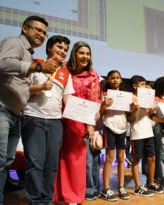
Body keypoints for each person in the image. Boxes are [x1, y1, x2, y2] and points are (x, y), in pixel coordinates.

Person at [0, 15, 59, 205]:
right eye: (38, 30)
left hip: (14, 113)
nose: (42, 35)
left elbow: (20, 86)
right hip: (0, 108)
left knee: (4, 164)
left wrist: (39, 87)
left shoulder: (28, 54)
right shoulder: (14, 42)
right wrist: (38, 66)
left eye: (44, 33)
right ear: (24, 28)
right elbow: (3, 64)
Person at [21, 35, 73, 205]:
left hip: (55, 122)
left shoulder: (65, 73)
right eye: (59, 47)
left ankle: (46, 200)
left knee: (51, 165)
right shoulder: (35, 64)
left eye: (65, 49)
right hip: (32, 117)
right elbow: (21, 89)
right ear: (49, 47)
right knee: (35, 164)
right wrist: (40, 87)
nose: (62, 51)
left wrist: (91, 113)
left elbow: (69, 102)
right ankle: (35, 201)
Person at [53, 41, 101, 205]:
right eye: (81, 53)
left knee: (75, 160)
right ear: (74, 54)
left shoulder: (93, 76)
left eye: (87, 54)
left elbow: (94, 101)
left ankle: (73, 196)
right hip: (57, 119)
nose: (85, 57)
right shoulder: (63, 69)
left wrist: (91, 126)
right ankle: (57, 194)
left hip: (78, 123)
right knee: (56, 158)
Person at [127, 75, 162, 197]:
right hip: (137, 133)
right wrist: (136, 110)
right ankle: (137, 187)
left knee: (152, 158)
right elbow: (129, 119)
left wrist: (152, 110)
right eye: (141, 84)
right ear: (135, 86)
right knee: (136, 160)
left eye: (145, 84)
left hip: (148, 131)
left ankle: (150, 183)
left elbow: (150, 115)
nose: (144, 86)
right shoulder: (131, 98)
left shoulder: (147, 98)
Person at [99, 70, 129, 201]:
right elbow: (100, 113)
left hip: (122, 128)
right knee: (110, 158)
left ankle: (121, 187)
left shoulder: (126, 96)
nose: (115, 80)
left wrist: (133, 107)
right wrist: (104, 105)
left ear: (121, 80)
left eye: (117, 78)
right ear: (108, 80)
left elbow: (129, 114)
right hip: (109, 127)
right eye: (112, 78)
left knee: (122, 158)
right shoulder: (104, 95)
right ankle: (106, 188)